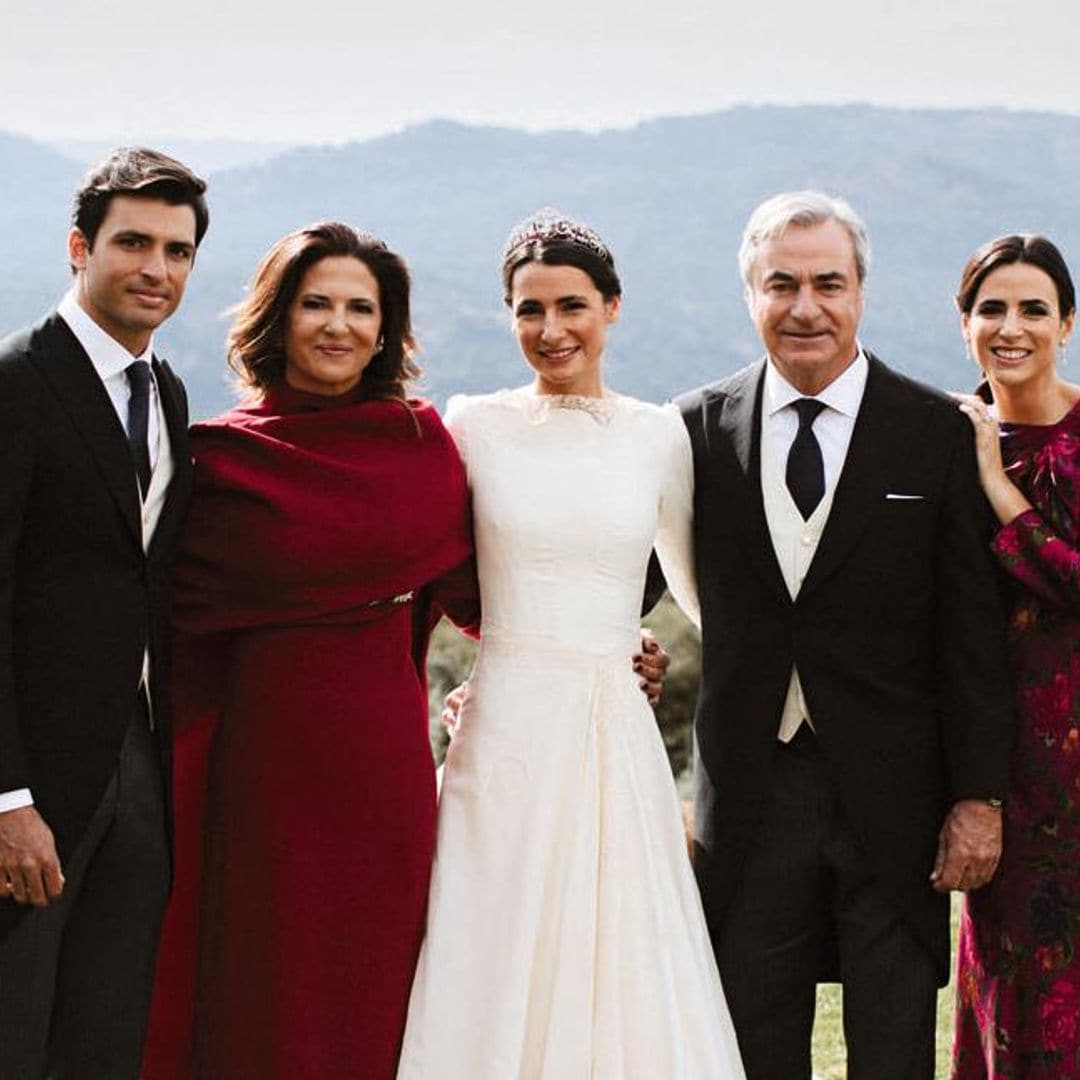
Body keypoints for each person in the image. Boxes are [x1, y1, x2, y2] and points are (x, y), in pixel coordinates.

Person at [397, 209, 746, 1078]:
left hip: (611, 730)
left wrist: (662, 652)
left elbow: (704, 598)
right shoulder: (471, 425)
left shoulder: (659, 435)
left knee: (620, 944)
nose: (550, 330)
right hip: (504, 724)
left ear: (613, 309)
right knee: (491, 935)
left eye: (572, 306)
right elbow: (433, 573)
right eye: (528, 309)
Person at [674, 191, 1016, 1078]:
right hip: (749, 797)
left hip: (898, 796)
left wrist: (979, 797)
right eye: (780, 284)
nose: (805, 307)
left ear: (861, 290)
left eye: (829, 282)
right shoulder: (694, 431)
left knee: (895, 1047)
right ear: (749, 293)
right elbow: (615, 580)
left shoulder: (936, 432)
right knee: (753, 1043)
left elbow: (971, 633)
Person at [139, 222, 477, 1079]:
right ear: (277, 319)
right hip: (255, 771)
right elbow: (159, 625)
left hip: (382, 769)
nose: (338, 326)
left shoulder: (422, 446)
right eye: (315, 304)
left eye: (361, 308)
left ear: (386, 328)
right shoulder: (216, 458)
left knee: (375, 984)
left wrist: (611, 646)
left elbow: (485, 598)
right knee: (259, 984)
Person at [0, 147, 207, 1078]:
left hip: (139, 770)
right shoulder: (15, 385)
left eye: (177, 249)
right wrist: (5, 799)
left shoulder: (168, 395)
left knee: (104, 1038)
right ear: (80, 247)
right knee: (15, 1031)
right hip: (32, 786)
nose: (155, 269)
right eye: (133, 242)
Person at [950, 235, 1080, 1077]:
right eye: (992, 307)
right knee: (1008, 995)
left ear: (1066, 324)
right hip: (998, 776)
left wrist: (1001, 490)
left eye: (1034, 308)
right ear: (964, 323)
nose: (1012, 326)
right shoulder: (942, 442)